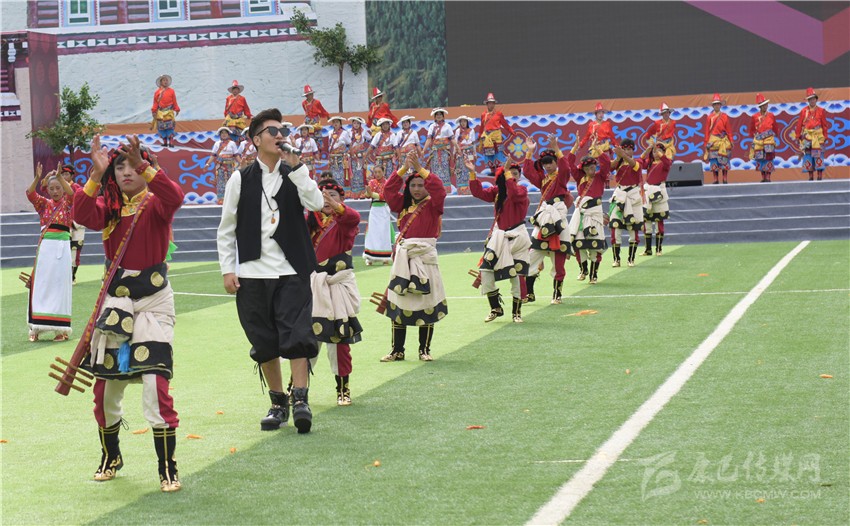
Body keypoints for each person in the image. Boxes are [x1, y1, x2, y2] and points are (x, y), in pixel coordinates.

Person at [74, 134, 185, 491]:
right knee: (106, 390)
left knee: (155, 384)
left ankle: (167, 467)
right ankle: (111, 456)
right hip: (116, 305)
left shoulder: (156, 204)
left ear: (144, 167)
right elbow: (80, 213)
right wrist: (96, 173)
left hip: (153, 304)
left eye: (132, 166)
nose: (125, 172)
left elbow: (175, 196)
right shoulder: (108, 208)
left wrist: (144, 166)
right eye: (119, 166)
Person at [217, 108, 324, 434]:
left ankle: (301, 399)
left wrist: (298, 167)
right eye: (272, 131)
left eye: (283, 130)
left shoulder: (296, 172)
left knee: (297, 335)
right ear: (255, 140)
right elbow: (227, 228)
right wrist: (228, 269)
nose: (280, 135)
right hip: (252, 272)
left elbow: (317, 204)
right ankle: (278, 403)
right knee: (263, 341)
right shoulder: (240, 179)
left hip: (292, 270)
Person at [380, 153, 447, 362]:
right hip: (404, 260)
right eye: (413, 185)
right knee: (399, 302)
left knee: (427, 302)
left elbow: (440, 189)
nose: (416, 189)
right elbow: (388, 191)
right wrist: (403, 169)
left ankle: (424, 349)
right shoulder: (403, 204)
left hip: (425, 259)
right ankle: (397, 350)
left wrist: (419, 168)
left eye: (420, 185)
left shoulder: (434, 204)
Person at [307, 178, 362, 406]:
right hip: (312, 286)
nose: (327, 200)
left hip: (336, 286)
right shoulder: (309, 223)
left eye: (333, 196)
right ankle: (297, 388)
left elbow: (353, 217)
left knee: (339, 341)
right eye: (323, 196)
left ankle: (343, 389)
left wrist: (336, 207)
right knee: (306, 339)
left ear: (341, 200)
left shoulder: (344, 222)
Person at [469, 158, 531, 323]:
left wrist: (507, 172)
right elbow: (478, 193)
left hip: (517, 237)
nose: (512, 176)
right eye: (509, 174)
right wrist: (473, 173)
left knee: (517, 276)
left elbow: (514, 193)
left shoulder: (521, 190)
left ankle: (516, 313)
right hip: (499, 238)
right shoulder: (497, 192)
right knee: (486, 272)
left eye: (515, 174)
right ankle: (495, 307)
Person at [522, 134, 576, 304]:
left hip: (558, 218)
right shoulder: (543, 180)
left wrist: (556, 148)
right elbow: (527, 172)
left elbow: (566, 168)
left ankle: (557, 295)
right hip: (544, 218)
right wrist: (529, 151)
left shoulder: (561, 177)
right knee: (532, 256)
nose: (547, 166)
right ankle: (529, 293)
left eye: (550, 163)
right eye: (544, 164)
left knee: (558, 260)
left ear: (555, 162)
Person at [26, 162, 74, 342]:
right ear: (47, 190)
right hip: (45, 249)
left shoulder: (67, 204)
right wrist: (37, 178)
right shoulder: (43, 204)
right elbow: (30, 193)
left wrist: (60, 176)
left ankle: (60, 330)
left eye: (58, 188)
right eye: (52, 188)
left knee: (59, 285)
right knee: (41, 285)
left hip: (62, 249)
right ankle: (35, 328)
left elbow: (71, 193)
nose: (55, 191)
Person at [569, 142, 612, 284]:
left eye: (593, 167)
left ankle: (594, 274)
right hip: (582, 214)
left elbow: (606, 163)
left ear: (596, 166)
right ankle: (583, 269)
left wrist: (598, 149)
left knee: (596, 245)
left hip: (595, 214)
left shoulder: (600, 176)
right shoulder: (579, 177)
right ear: (583, 169)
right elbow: (569, 163)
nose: (591, 170)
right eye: (587, 168)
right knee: (579, 243)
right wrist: (575, 147)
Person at [609, 139, 645, 267]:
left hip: (633, 196)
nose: (627, 151)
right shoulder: (618, 162)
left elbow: (634, 164)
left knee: (633, 228)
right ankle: (616, 259)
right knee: (615, 227)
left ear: (633, 150)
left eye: (629, 149)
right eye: (624, 149)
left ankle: (631, 259)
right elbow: (610, 167)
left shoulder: (638, 161)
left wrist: (622, 155)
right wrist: (618, 157)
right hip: (620, 195)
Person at [639, 142, 673, 255]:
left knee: (659, 221)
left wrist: (659, 153)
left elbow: (667, 162)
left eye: (659, 151)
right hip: (648, 192)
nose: (656, 153)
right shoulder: (649, 163)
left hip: (659, 193)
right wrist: (648, 150)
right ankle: (648, 249)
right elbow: (640, 163)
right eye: (654, 152)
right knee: (647, 222)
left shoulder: (665, 163)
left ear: (663, 152)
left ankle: (659, 249)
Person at [795, 87, 830, 181]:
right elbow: (799, 124)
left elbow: (824, 124)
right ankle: (810, 176)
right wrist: (797, 135)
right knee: (808, 155)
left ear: (816, 99)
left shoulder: (821, 110)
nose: (812, 101)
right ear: (808, 100)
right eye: (810, 99)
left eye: (813, 99)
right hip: (807, 136)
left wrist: (825, 136)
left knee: (818, 154)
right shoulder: (804, 111)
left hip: (818, 136)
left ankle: (819, 175)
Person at [59, 164, 86, 284]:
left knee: (75, 250)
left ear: (72, 175)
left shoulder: (77, 188)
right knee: (62, 250)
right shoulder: (58, 188)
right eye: (63, 174)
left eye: (67, 174)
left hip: (77, 223)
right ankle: (63, 276)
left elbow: (82, 205)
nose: (65, 177)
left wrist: (76, 221)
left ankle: (72, 276)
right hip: (64, 222)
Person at [363, 164, 395, 265]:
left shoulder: (387, 183)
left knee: (384, 232)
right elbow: (367, 195)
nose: (377, 174)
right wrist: (368, 193)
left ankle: (385, 257)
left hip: (384, 209)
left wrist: (372, 194)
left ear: (383, 172)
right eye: (375, 172)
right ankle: (370, 257)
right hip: (374, 210)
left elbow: (385, 196)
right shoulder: (371, 182)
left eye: (379, 172)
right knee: (373, 232)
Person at [476, 93, 514, 171]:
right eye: (490, 103)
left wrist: (511, 131)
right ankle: (492, 171)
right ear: (487, 104)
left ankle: (500, 171)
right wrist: (480, 135)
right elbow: (482, 126)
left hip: (496, 137)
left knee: (498, 153)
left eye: (493, 103)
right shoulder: (483, 115)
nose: (491, 105)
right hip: (487, 137)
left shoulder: (499, 114)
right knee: (489, 155)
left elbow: (505, 124)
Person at [204, 127, 242, 204]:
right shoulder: (217, 143)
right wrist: (208, 164)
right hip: (220, 166)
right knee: (221, 182)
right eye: (222, 133)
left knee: (231, 181)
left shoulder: (232, 143)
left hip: (230, 166)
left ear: (228, 134)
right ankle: (221, 199)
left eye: (225, 133)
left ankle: (231, 199)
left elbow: (236, 155)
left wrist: (241, 163)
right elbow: (213, 155)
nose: (224, 134)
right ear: (220, 135)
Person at [703, 93, 734, 184]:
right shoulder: (709, 117)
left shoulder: (725, 116)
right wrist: (706, 142)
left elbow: (728, 129)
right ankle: (715, 179)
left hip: (723, 139)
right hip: (713, 140)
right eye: (715, 104)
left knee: (724, 159)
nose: (717, 106)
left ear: (720, 105)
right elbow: (707, 131)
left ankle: (725, 178)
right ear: (713, 106)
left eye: (718, 104)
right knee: (713, 159)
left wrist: (731, 140)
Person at [749, 93, 780, 183]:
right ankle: (763, 177)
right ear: (760, 106)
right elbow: (751, 128)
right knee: (760, 158)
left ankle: (768, 176)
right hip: (759, 139)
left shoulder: (771, 115)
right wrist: (754, 136)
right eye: (763, 105)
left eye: (766, 104)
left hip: (769, 139)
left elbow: (775, 126)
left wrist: (775, 134)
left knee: (769, 157)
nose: (765, 106)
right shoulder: (755, 116)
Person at [423, 108, 455, 191]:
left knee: (445, 168)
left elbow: (452, 139)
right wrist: (423, 150)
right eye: (437, 115)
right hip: (435, 152)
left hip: (444, 152)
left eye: (440, 114)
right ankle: (436, 188)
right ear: (434, 117)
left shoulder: (447, 126)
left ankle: (446, 189)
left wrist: (457, 148)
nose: (439, 116)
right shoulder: (432, 126)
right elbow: (429, 139)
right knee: (435, 169)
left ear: (443, 116)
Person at [151, 74, 180, 148]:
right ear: (161, 82)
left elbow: (174, 101)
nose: (165, 81)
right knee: (161, 128)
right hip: (160, 113)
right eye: (164, 80)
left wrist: (177, 109)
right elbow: (155, 103)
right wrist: (154, 111)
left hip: (169, 112)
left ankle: (171, 142)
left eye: (166, 80)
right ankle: (165, 142)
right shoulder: (157, 92)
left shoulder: (171, 91)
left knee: (170, 127)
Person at [347, 116, 372, 199]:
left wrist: (364, 147)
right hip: (353, 156)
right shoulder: (349, 132)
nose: (356, 125)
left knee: (361, 173)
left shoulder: (364, 131)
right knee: (353, 173)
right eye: (354, 123)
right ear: (352, 124)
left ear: (360, 124)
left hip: (360, 156)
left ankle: (362, 192)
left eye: (358, 123)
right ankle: (354, 193)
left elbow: (370, 139)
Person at [452, 115, 477, 195]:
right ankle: (461, 189)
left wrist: (475, 153)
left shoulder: (471, 131)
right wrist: (454, 153)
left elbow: (473, 143)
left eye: (464, 121)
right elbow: (455, 143)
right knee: (460, 170)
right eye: (461, 121)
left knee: (469, 169)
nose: (463, 123)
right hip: (460, 152)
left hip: (469, 152)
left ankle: (470, 188)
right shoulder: (457, 131)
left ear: (467, 122)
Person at [326, 116, 352, 193]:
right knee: (333, 175)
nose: (335, 123)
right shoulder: (330, 132)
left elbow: (349, 144)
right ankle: (334, 191)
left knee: (342, 174)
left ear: (340, 124)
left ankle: (342, 191)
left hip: (341, 158)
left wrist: (348, 153)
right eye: (334, 122)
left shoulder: (344, 133)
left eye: (337, 122)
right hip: (332, 158)